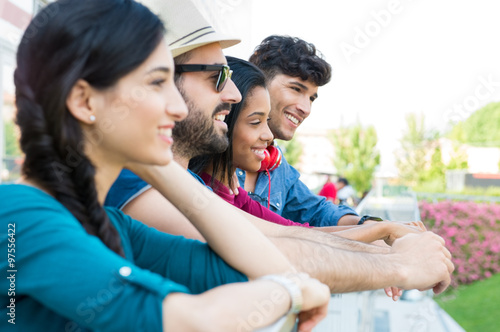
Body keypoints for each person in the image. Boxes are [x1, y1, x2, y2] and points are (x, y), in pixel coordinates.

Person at [0, 1, 331, 331]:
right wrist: (293, 291)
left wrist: (157, 164)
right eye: (158, 83)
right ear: (85, 101)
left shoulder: (109, 225)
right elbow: (194, 320)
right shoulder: (18, 217)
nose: (177, 107)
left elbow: (270, 269)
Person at [106, 0, 454, 299]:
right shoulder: (136, 173)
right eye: (216, 76)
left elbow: (286, 232)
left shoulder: (168, 173)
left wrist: (382, 236)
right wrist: (398, 264)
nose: (232, 95)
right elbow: (263, 254)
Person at [238, 35, 363, 226]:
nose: (306, 108)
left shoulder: (279, 168)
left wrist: (375, 226)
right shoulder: (208, 152)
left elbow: (319, 212)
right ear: (256, 83)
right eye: (296, 89)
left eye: (312, 98)